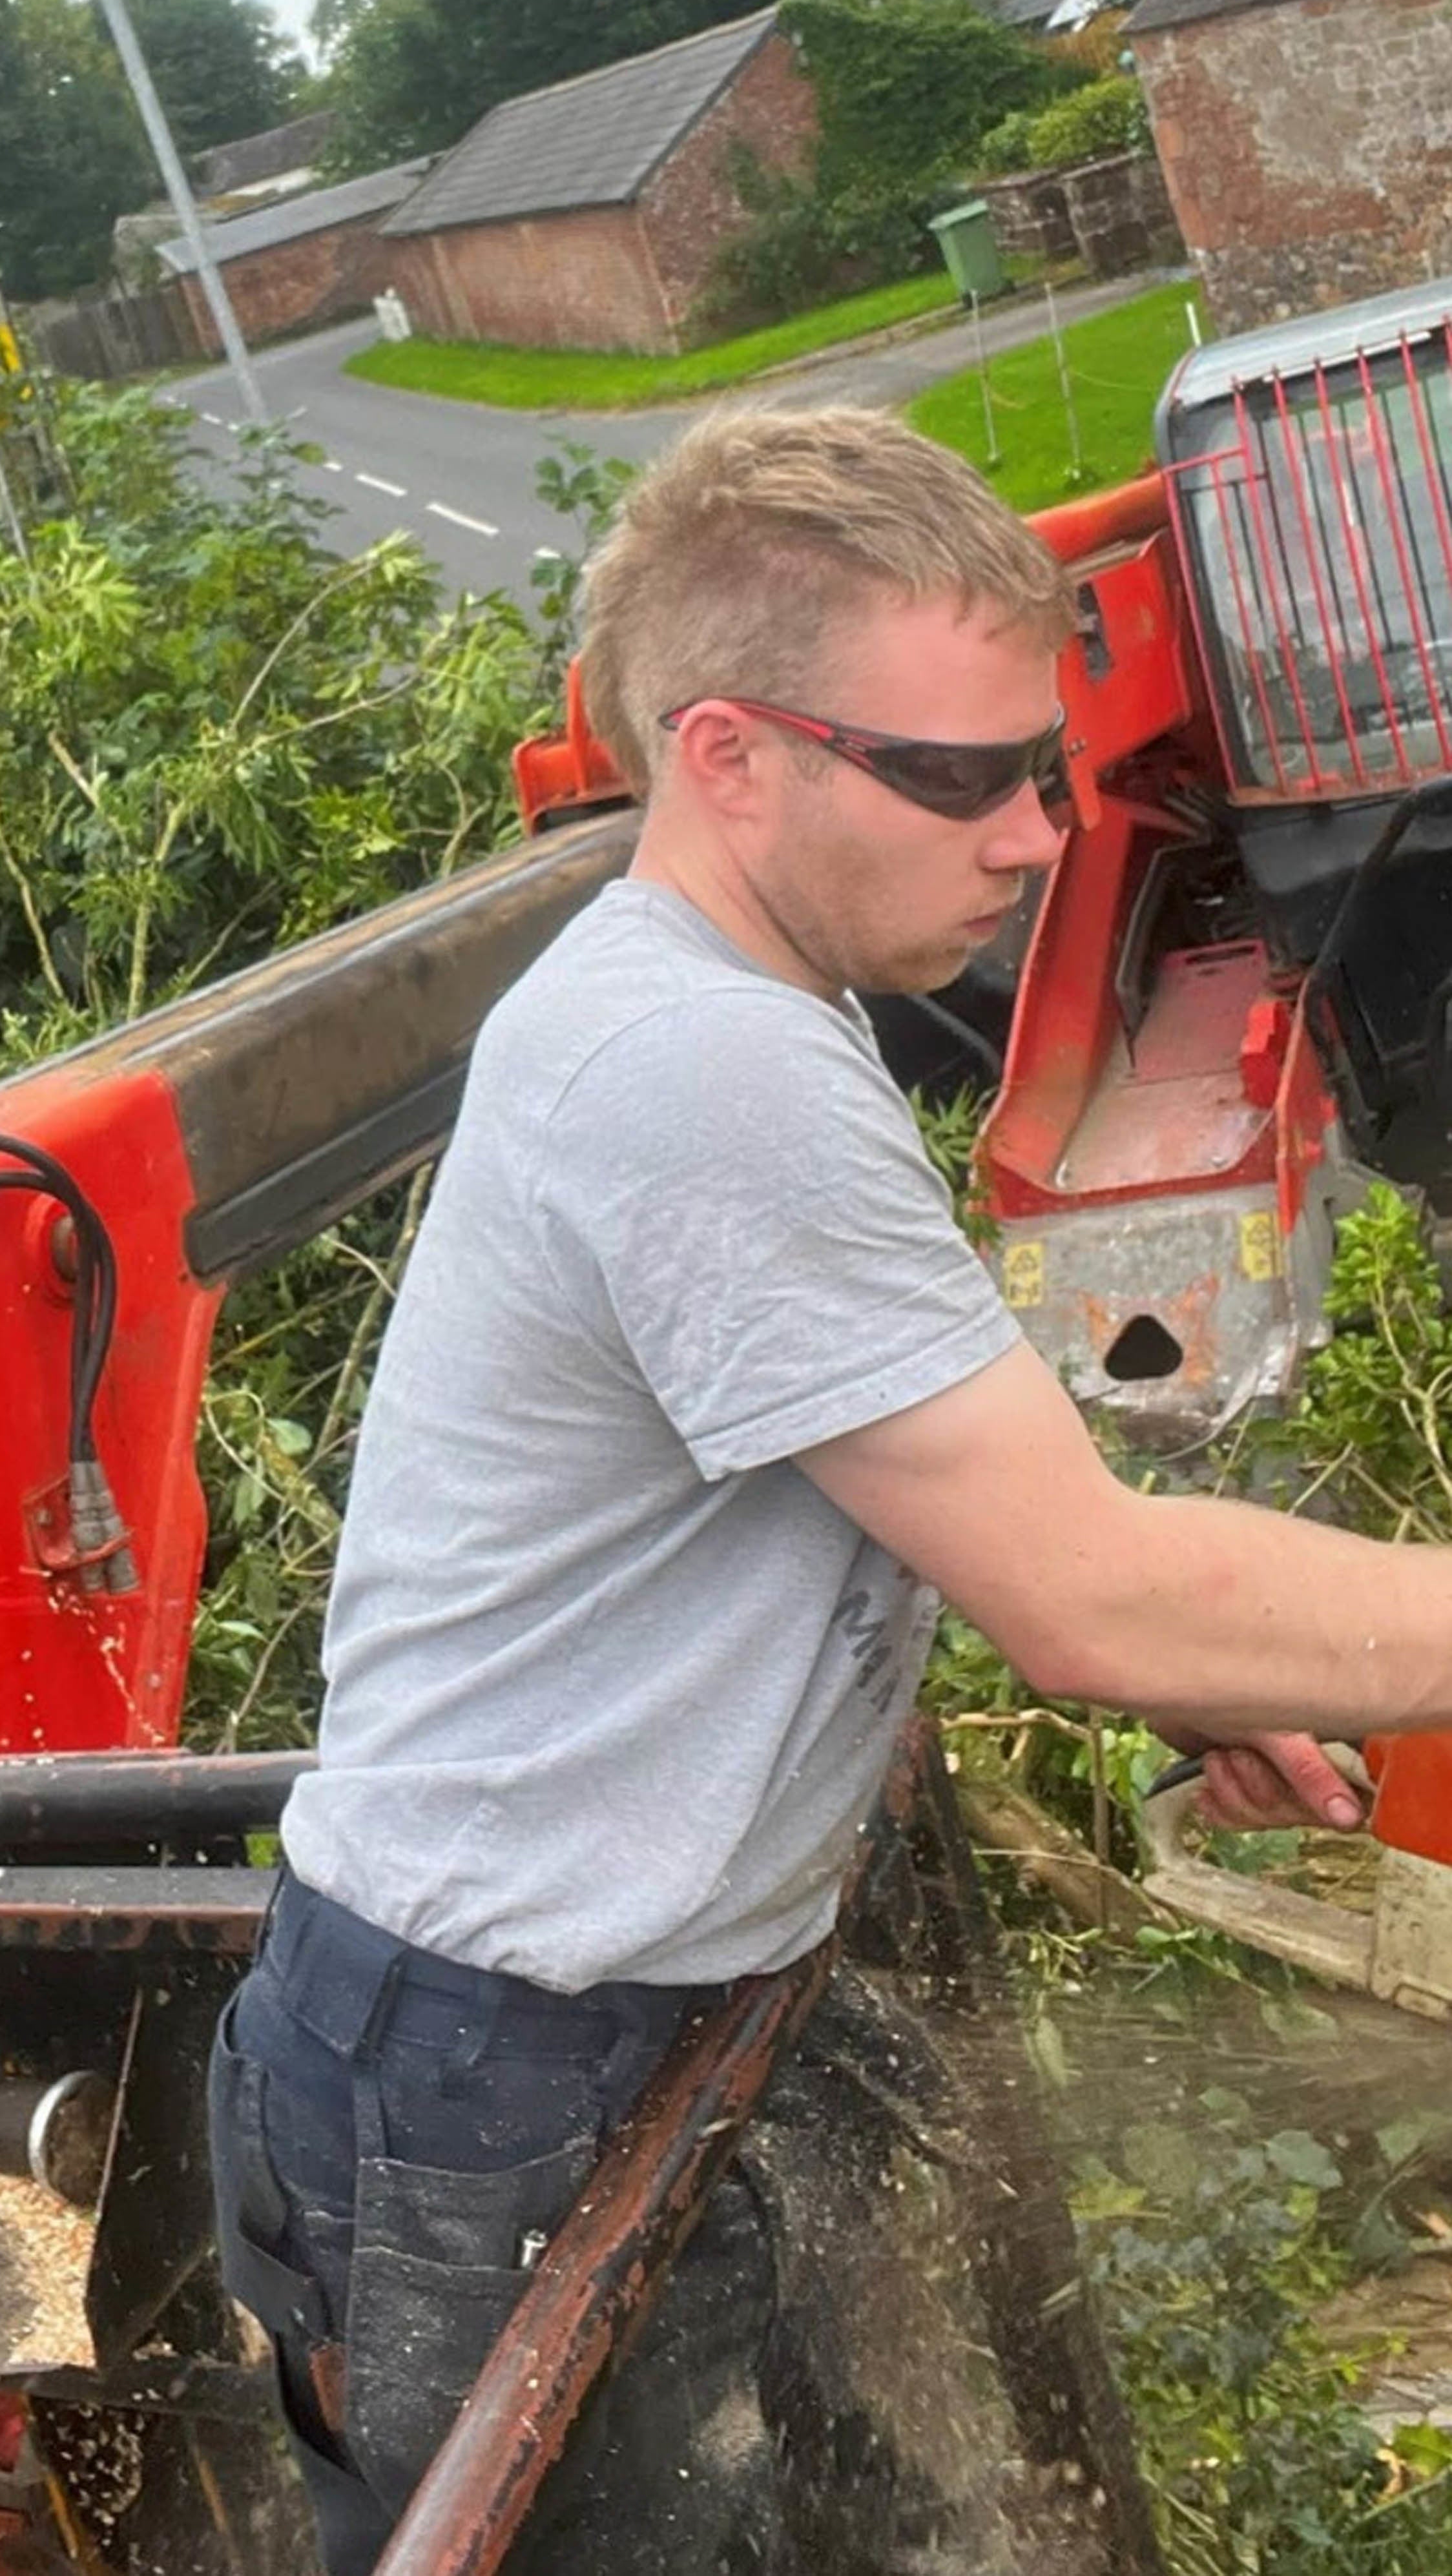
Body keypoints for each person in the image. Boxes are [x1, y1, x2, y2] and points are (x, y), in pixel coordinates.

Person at [211, 403, 1426, 2576]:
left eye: (1042, 769)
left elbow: (899, 1475)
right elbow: (1098, 1591)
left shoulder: (737, 1000)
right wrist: (1157, 1648)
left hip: (584, 2012)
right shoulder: (702, 1064)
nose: (1037, 839)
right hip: (491, 2078)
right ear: (728, 755)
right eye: (957, 778)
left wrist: (1174, 1669)